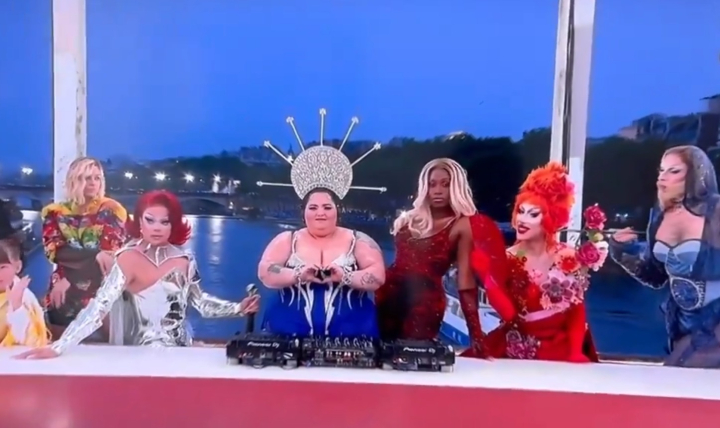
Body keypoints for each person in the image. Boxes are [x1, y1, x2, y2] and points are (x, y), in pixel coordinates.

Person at [15, 190, 260, 359]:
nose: (157, 227)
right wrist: (59, 346)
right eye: (150, 220)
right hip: (134, 355)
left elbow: (201, 304)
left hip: (179, 354)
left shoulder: (184, 260)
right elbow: (98, 308)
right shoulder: (127, 258)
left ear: (173, 225)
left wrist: (239, 308)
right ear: (139, 222)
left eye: (164, 222)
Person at [256, 117, 387, 338]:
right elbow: (266, 271)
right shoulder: (286, 240)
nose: (320, 213)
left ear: (338, 210)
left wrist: (345, 276)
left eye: (327, 207)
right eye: (313, 207)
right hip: (286, 331)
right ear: (304, 211)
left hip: (353, 333)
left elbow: (378, 276)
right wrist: (298, 274)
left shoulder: (359, 240)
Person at [376, 158, 507, 357]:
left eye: (445, 184)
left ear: (456, 187)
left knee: (414, 359)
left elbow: (465, 283)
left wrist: (476, 337)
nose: (438, 191)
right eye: (432, 184)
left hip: (424, 305)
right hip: (386, 297)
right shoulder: (410, 219)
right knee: (379, 359)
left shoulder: (462, 225)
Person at [477, 162, 606, 362]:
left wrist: (575, 352)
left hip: (561, 346)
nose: (522, 219)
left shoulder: (567, 256)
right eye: (520, 211)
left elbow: (576, 312)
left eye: (533, 214)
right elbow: (508, 315)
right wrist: (488, 276)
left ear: (551, 217)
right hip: (518, 347)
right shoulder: (508, 258)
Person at [610, 145, 720, 368]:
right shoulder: (661, 216)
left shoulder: (715, 211)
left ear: (695, 174)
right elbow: (655, 276)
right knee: (681, 377)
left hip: (715, 319)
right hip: (680, 321)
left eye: (674, 171)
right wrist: (622, 250)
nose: (663, 177)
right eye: (661, 170)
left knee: (682, 370)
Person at [40, 157, 128, 339]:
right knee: (60, 342)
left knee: (109, 346)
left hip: (100, 283)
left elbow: (108, 256)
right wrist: (94, 255)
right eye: (87, 178)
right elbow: (55, 251)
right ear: (75, 180)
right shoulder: (55, 213)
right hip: (63, 285)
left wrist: (70, 278)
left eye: (97, 178)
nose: (93, 183)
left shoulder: (110, 210)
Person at [0, 202, 51, 347]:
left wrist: (16, 307)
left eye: (3, 267)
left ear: (17, 266)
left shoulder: (24, 298)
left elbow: (31, 342)